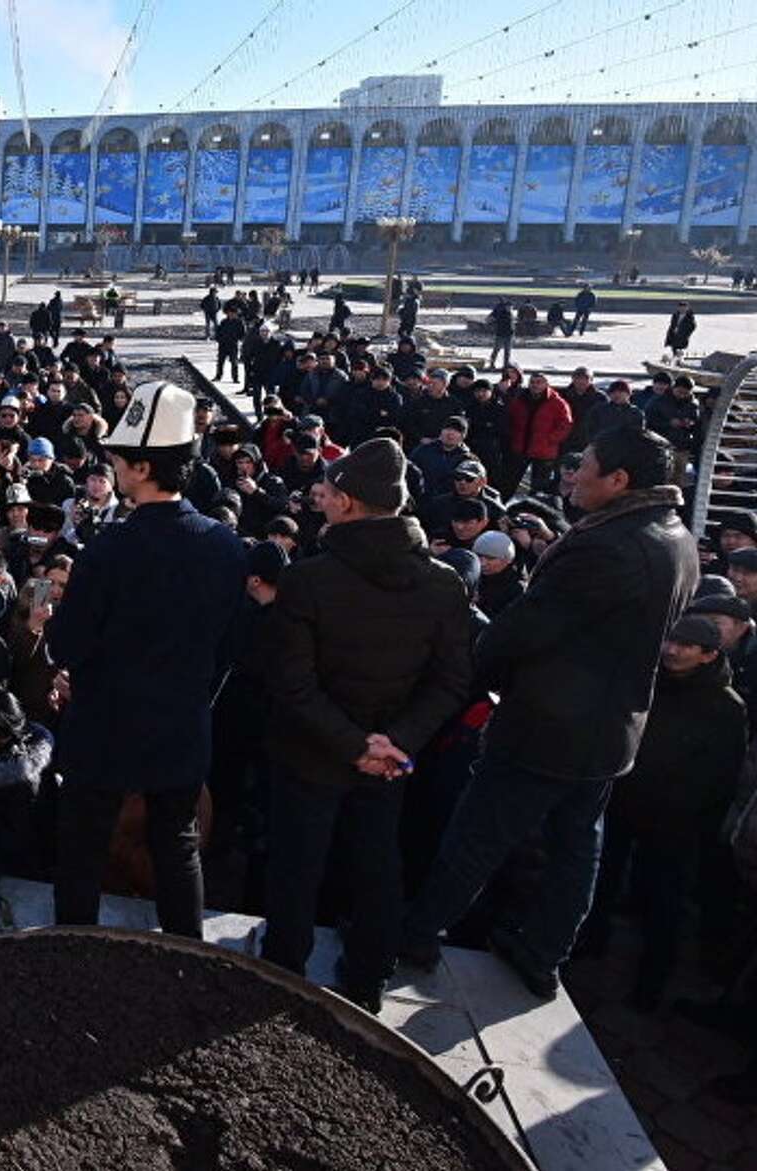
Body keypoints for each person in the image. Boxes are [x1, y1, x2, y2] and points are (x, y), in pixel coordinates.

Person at [402, 425, 699, 999]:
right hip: (612, 732)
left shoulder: (607, 547)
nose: (572, 474)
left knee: (477, 836)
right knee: (576, 848)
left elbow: (523, 631)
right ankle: (543, 954)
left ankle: (416, 934)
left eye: (584, 464)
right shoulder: (676, 538)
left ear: (618, 480)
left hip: (548, 727)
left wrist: (463, 683)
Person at [260, 438, 475, 1012]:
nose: (321, 500)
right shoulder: (443, 582)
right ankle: (368, 975)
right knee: (378, 862)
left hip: (311, 753)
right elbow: (451, 682)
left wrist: (353, 744)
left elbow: (292, 684)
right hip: (390, 761)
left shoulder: (309, 580)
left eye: (328, 493)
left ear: (349, 504)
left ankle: (282, 972)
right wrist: (393, 744)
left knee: (297, 867)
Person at [48, 381, 248, 936]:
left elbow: (67, 645)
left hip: (105, 725)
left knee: (85, 848)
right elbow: (232, 646)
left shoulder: (109, 548)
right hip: (181, 724)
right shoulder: (226, 545)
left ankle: (72, 949)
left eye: (117, 457)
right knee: (178, 847)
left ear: (139, 468)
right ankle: (185, 954)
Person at [577, 614, 746, 1010]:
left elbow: (722, 776)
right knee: (601, 877)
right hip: (625, 799)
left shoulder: (725, 707)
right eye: (671, 641)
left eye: (685, 646)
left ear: (708, 656)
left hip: (674, 822)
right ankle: (590, 940)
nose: (673, 651)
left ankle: (650, 983)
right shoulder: (652, 679)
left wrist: (687, 816)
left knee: (662, 901)